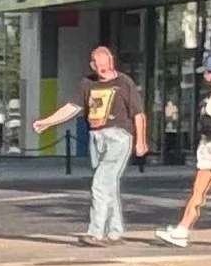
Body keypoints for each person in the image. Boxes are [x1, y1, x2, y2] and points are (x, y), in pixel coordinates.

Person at [33, 45, 147, 244]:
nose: (105, 69)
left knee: (100, 184)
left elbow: (138, 114)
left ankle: (96, 232)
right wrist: (47, 121)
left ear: (112, 61)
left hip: (119, 137)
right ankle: (115, 231)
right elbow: (72, 107)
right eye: (100, 66)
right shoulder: (87, 84)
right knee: (108, 185)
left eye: (108, 64)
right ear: (93, 65)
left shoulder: (124, 82)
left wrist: (141, 141)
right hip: (96, 137)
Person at [157, 54, 211, 246]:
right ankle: (183, 228)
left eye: (207, 71)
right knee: (200, 189)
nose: (205, 75)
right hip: (210, 143)